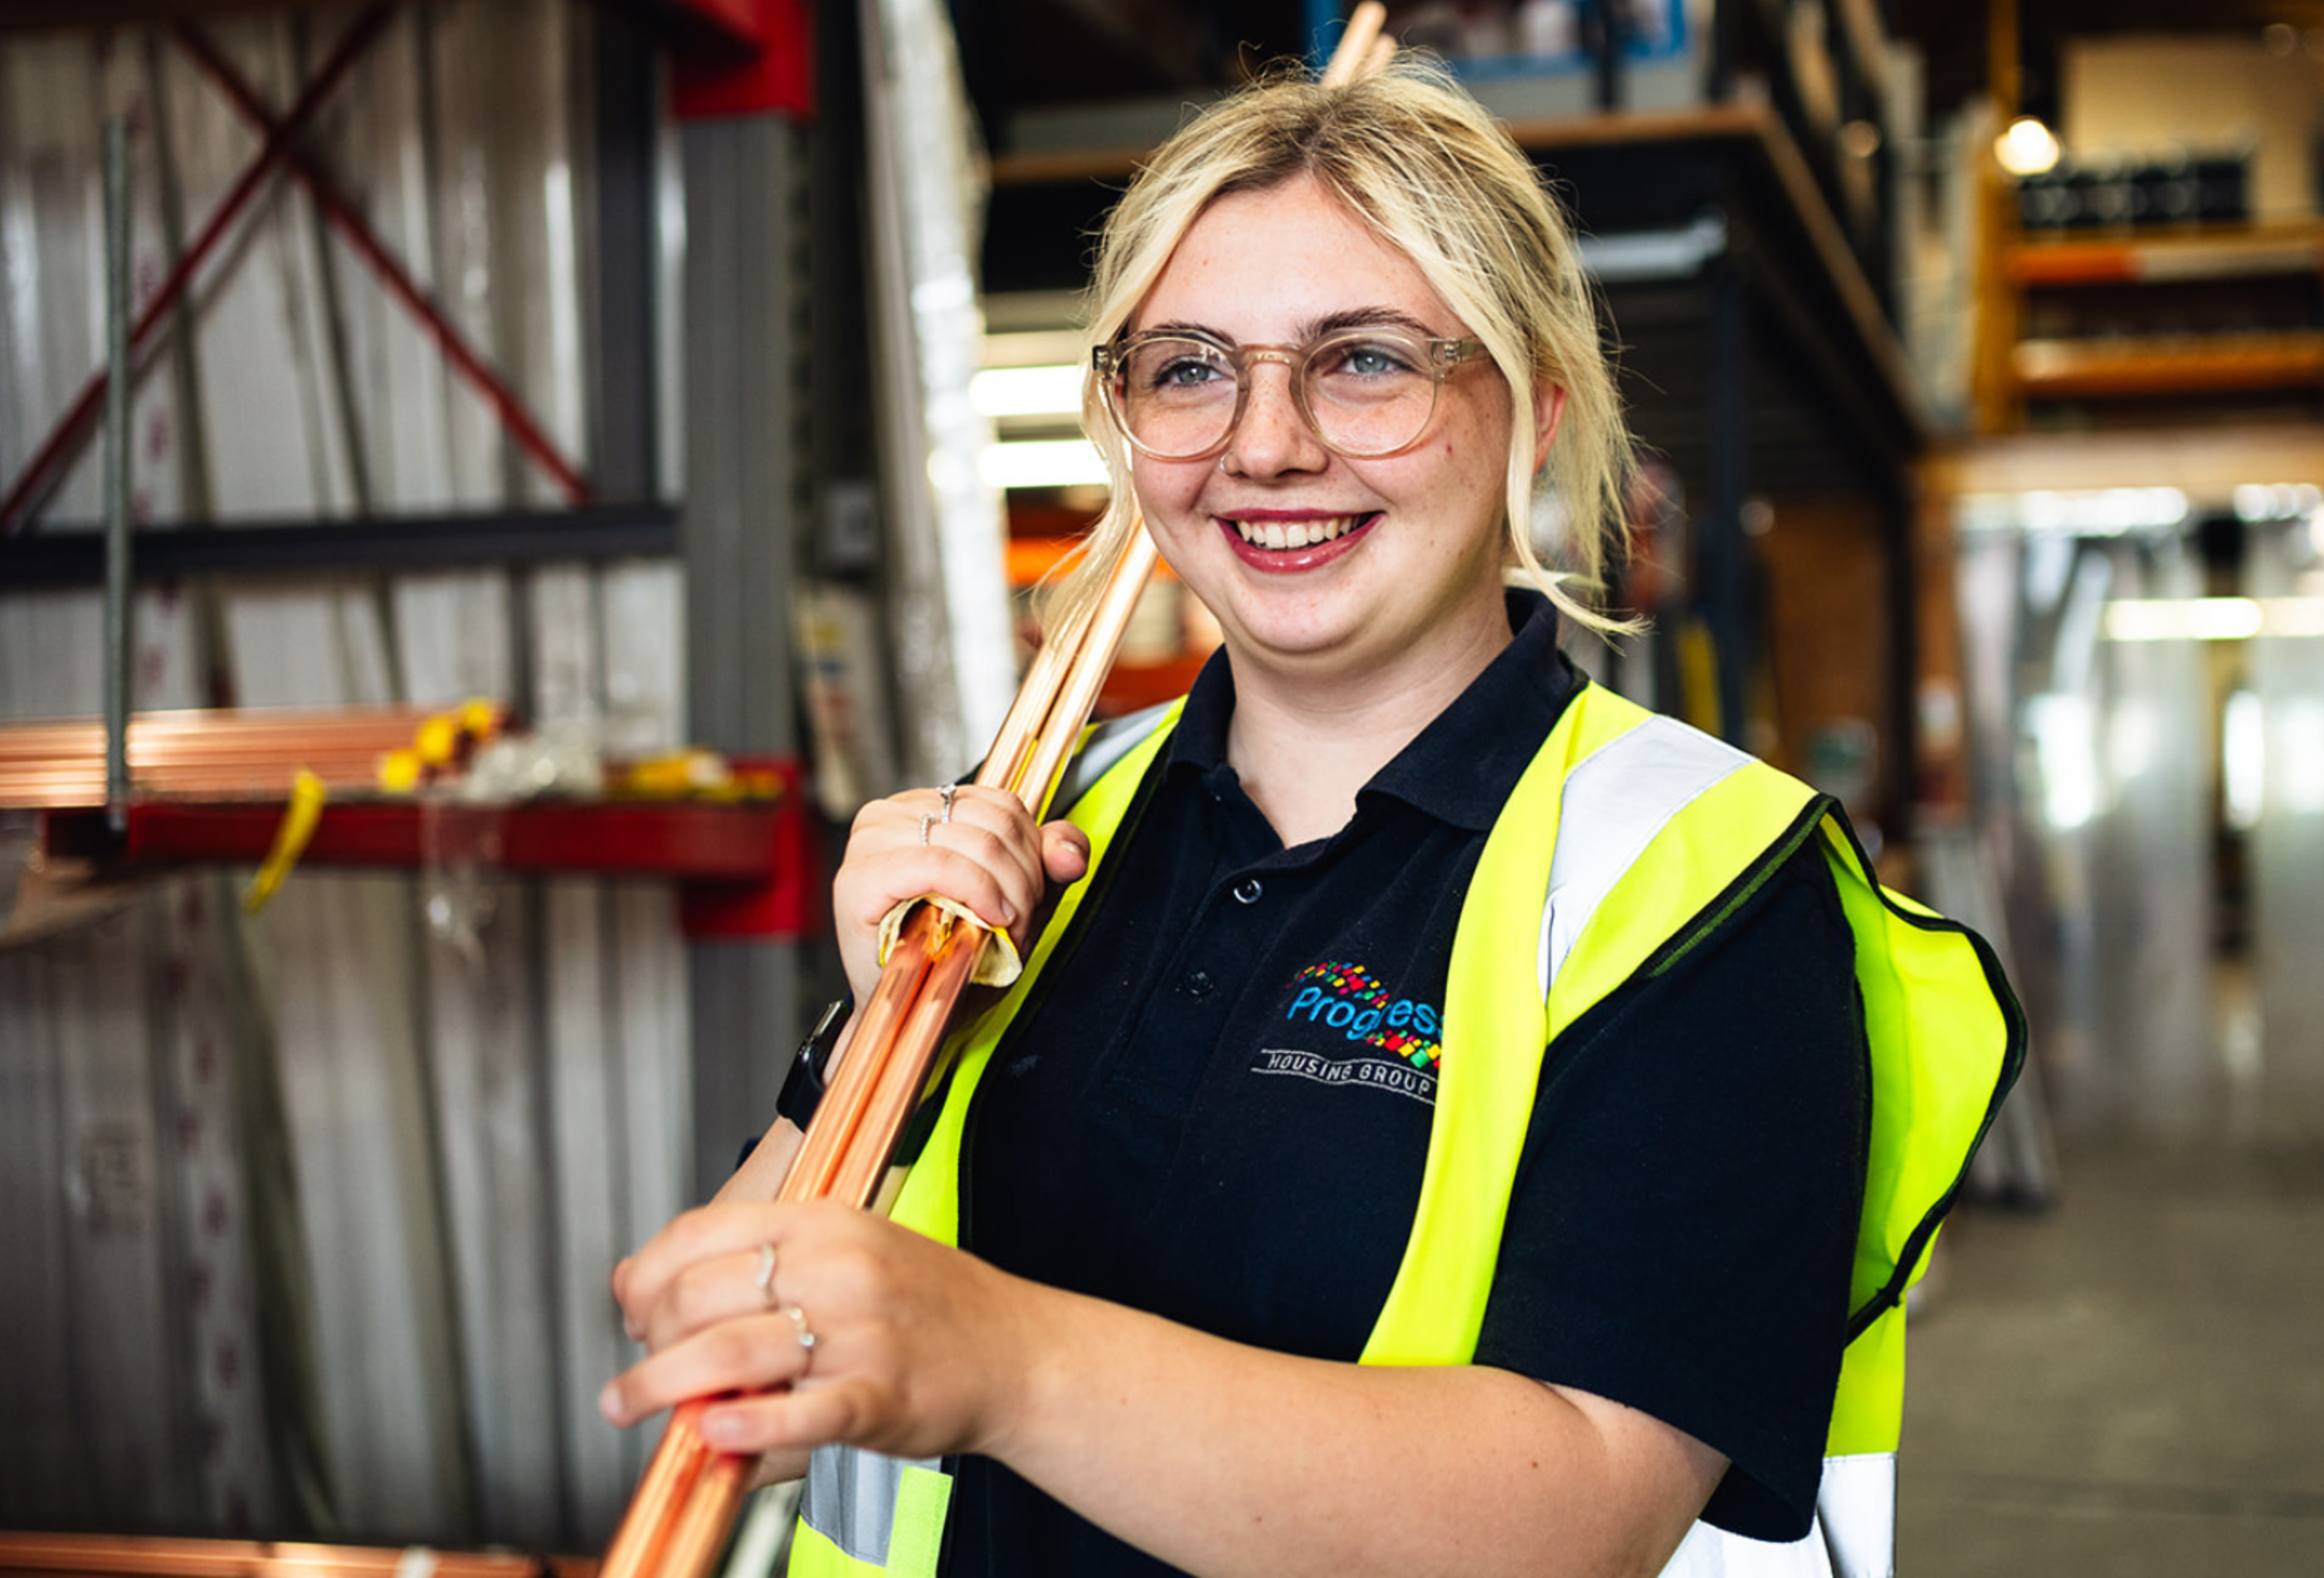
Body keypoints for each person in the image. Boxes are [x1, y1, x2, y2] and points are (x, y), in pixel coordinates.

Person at [600, 56, 2021, 1578]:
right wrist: (871, 1032)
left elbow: (1584, 1508)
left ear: (1533, 416)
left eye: (1363, 361)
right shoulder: (1041, 824)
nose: (1265, 442)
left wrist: (1005, 1364)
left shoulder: (1700, 884)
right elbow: (724, 1312)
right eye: (1192, 366)